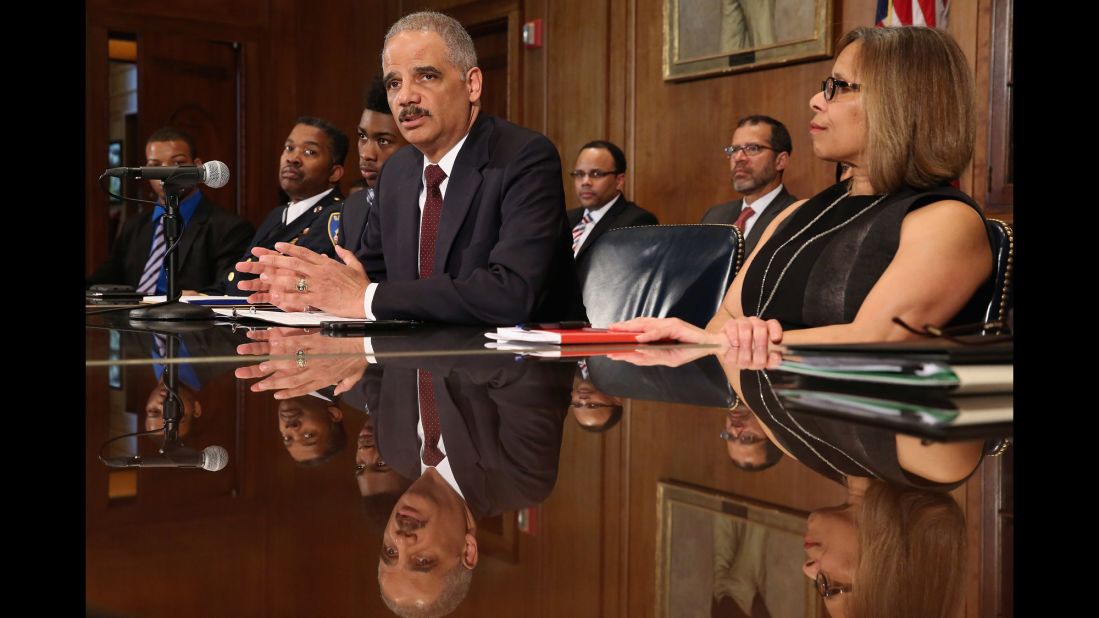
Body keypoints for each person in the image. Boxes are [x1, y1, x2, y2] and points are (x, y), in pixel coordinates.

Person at [615, 27, 993, 351]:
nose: (815, 100)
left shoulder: (944, 220)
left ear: (901, 102)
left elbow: (876, 340)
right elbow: (724, 322)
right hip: (776, 421)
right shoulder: (796, 213)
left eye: (838, 87)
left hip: (867, 431)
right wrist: (710, 337)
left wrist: (720, 342)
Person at [234, 11, 585, 325]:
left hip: (512, 379)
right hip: (412, 373)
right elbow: (367, 279)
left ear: (472, 84)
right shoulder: (398, 171)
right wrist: (309, 293)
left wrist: (364, 297)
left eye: (426, 76)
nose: (405, 97)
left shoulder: (523, 156)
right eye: (394, 83)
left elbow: (512, 294)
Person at [87, 127, 254, 294]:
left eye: (177, 163)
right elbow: (105, 278)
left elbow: (228, 288)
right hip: (132, 314)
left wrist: (198, 298)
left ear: (197, 167)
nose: (166, 173)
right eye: (155, 165)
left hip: (189, 317)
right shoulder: (134, 225)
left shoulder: (230, 228)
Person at [221, 117, 349, 295]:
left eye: (310, 152)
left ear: (334, 173)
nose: (293, 158)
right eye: (289, 148)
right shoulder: (278, 214)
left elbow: (297, 286)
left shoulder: (336, 215)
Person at [700, 115, 797, 255]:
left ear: (780, 161)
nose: (738, 158)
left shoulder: (795, 217)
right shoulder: (714, 216)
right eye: (734, 149)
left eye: (753, 148)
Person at [567, 140, 658, 286]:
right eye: (579, 174)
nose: (585, 182)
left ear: (619, 180)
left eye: (596, 174)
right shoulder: (565, 219)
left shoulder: (636, 222)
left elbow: (626, 282)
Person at [338, 75, 409, 254]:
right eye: (362, 136)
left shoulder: (425, 208)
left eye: (383, 141)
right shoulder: (353, 206)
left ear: (414, 145)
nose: (366, 154)